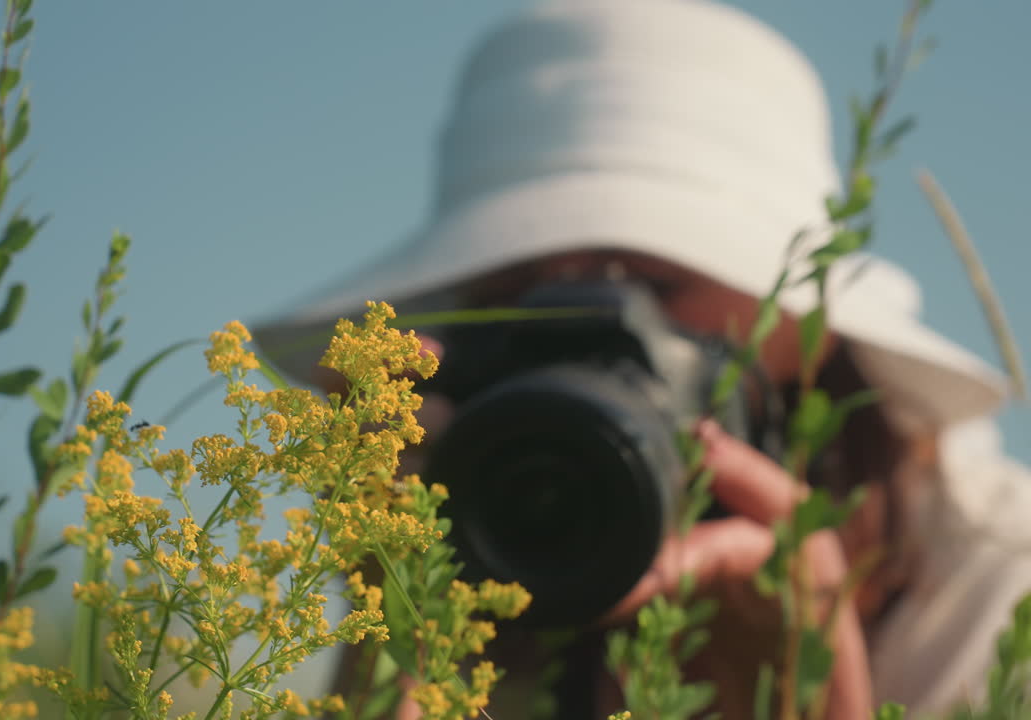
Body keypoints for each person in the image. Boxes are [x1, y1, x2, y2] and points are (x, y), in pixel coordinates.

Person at [251, 0, 1031, 717]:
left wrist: (814, 688)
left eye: (657, 282)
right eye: (515, 291)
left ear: (812, 324)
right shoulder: (473, 534)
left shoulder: (993, 573)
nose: (586, 328)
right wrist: (399, 594)